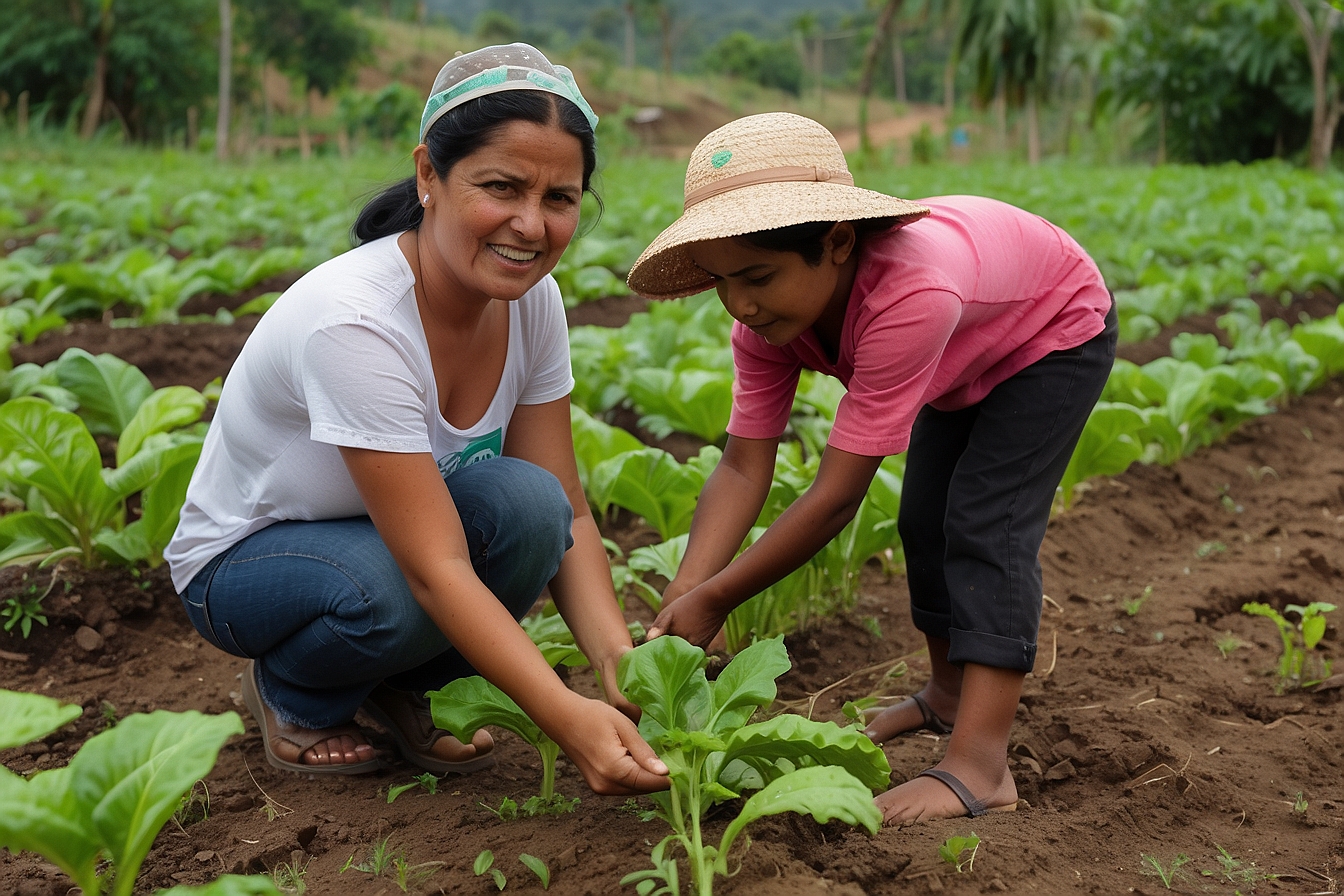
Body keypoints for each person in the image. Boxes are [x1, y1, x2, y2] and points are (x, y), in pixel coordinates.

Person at [165, 43, 669, 796]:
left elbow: (566, 504)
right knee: (396, 589)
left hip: (384, 542)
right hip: (243, 565)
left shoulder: (533, 302)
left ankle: (401, 687)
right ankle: (295, 695)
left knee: (531, 507)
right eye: (501, 187)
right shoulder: (358, 322)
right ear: (429, 174)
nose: (530, 226)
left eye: (559, 199)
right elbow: (435, 570)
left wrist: (620, 666)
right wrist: (566, 715)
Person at [625, 112, 1116, 824]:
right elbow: (740, 467)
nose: (741, 303)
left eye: (758, 276)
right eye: (721, 281)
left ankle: (981, 767)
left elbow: (834, 499)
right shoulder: (762, 324)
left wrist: (718, 601)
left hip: (1053, 332)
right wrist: (688, 592)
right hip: (966, 353)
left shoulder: (908, 296)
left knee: (985, 525)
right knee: (922, 521)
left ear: (838, 241)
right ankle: (947, 696)